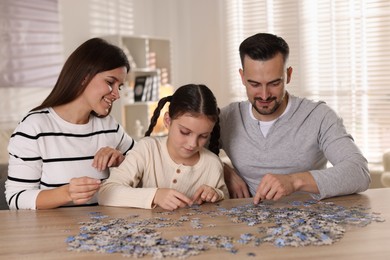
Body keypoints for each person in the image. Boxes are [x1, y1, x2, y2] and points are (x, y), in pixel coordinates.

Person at [219, 33, 370, 204]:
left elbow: (359, 172)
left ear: (288, 75)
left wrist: (294, 181)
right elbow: (187, 150)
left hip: (309, 223)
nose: (264, 94)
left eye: (274, 83)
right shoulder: (227, 118)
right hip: (246, 223)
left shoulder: (318, 116)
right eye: (254, 84)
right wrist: (223, 169)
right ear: (242, 77)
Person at [5, 38, 135, 210]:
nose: (117, 95)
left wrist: (122, 160)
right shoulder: (34, 127)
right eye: (110, 83)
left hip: (105, 231)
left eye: (120, 86)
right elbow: (16, 198)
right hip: (53, 234)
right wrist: (66, 193)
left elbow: (146, 169)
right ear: (84, 77)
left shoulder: (110, 126)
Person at [98, 84, 229, 211]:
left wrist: (216, 194)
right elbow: (106, 193)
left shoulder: (212, 165)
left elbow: (226, 206)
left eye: (203, 136)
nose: (193, 143)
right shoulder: (147, 149)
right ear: (167, 120)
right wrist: (155, 195)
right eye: (185, 132)